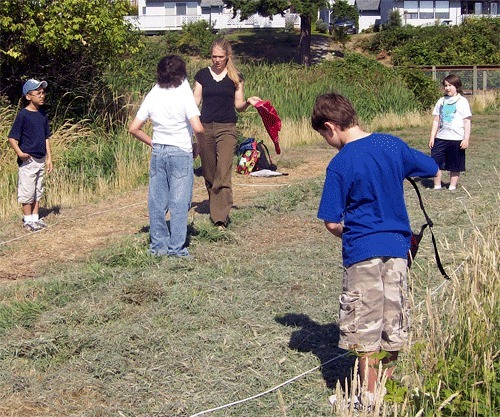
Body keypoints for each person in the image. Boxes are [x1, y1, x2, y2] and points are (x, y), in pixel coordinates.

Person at [311, 93, 439, 409]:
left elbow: (330, 222)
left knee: (365, 327)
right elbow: (429, 166)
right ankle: (385, 390)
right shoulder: (390, 144)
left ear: (330, 127)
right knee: (392, 322)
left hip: (362, 253)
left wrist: (347, 231)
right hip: (398, 250)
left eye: (325, 136)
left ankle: (367, 400)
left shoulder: (340, 163)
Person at [129, 55, 204, 258]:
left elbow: (134, 128)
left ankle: (157, 247)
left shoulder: (154, 93)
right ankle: (176, 249)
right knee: (179, 203)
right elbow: (198, 127)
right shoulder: (184, 93)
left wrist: (153, 142)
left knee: (157, 202)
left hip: (159, 152)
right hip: (180, 151)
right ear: (181, 74)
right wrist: (199, 147)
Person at [193, 38, 261, 229]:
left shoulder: (235, 77)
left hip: (227, 128)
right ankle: (216, 204)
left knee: (223, 171)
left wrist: (248, 101)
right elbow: (195, 102)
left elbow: (238, 106)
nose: (217, 60)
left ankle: (220, 218)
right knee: (210, 172)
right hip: (205, 128)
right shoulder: (202, 75)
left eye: (220, 57)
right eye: (214, 56)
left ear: (227, 57)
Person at [8, 79, 53, 232]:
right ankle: (28, 220)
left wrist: (49, 158)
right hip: (28, 160)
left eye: (43, 92)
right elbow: (12, 137)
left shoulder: (43, 115)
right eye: (38, 93)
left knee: (38, 189)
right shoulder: (23, 115)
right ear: (28, 96)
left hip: (40, 159)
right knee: (27, 190)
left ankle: (35, 218)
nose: (42, 96)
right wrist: (20, 153)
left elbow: (47, 137)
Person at [429, 74, 472, 190]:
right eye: (445, 85)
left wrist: (466, 139)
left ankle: (452, 187)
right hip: (441, 137)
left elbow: (467, 122)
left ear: (457, 86)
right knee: (435, 162)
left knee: (455, 164)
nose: (447, 88)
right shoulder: (441, 101)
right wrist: (432, 137)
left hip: (456, 139)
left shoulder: (462, 101)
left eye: (450, 85)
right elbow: (436, 121)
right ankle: (437, 185)